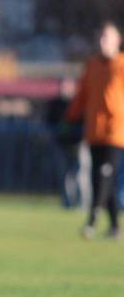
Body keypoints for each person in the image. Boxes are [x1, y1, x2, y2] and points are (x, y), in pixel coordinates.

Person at [65, 21, 124, 239]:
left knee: (104, 175)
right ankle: (116, 227)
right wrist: (70, 118)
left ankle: (91, 221)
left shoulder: (121, 65)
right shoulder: (92, 66)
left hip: (116, 132)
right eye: (100, 38)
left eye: (107, 38)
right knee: (100, 177)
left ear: (118, 41)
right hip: (94, 130)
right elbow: (82, 96)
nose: (102, 42)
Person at [47, 77, 90, 209]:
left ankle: (83, 204)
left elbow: (86, 120)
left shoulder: (80, 102)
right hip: (62, 144)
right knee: (64, 175)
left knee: (81, 175)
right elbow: (49, 121)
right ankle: (67, 204)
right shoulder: (56, 103)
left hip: (79, 143)